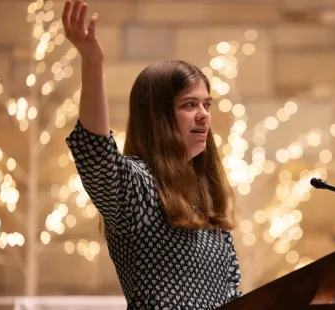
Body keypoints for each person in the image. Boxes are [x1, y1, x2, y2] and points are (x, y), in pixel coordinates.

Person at [61, 0, 243, 308]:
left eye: (206, 104)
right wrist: (92, 62)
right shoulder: (138, 188)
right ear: (158, 116)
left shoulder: (207, 199)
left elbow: (232, 297)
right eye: (189, 105)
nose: (203, 115)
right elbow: (95, 153)